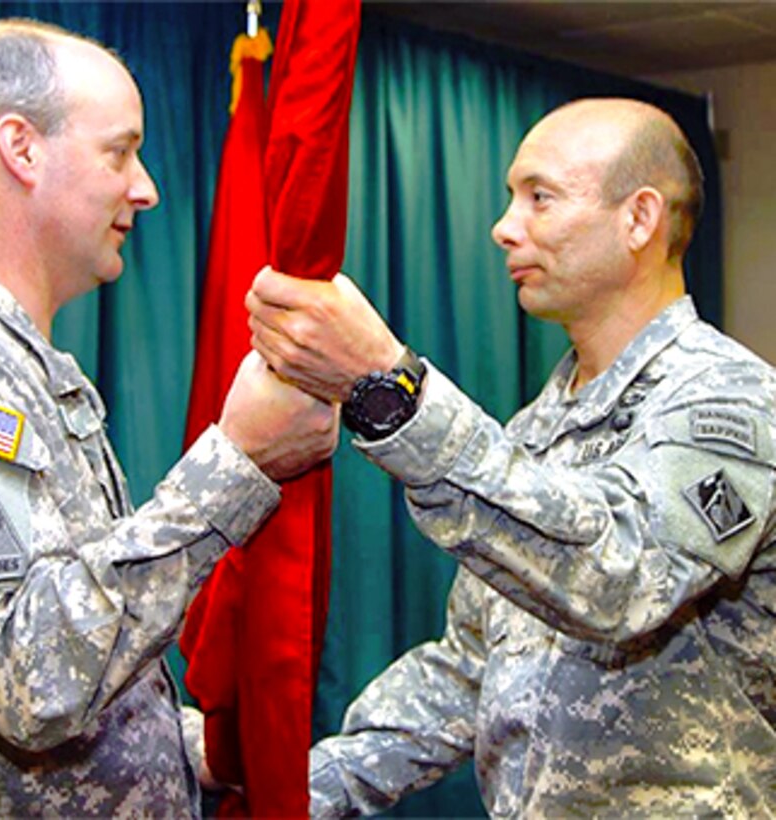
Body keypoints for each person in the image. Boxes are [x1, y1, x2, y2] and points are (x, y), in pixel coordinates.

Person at [0, 18, 338, 817]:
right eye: (120, 151)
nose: (146, 187)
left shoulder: (15, 362)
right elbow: (25, 676)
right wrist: (236, 463)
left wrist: (176, 745)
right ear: (21, 149)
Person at [246, 97, 776, 815]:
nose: (503, 228)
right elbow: (472, 668)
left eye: (540, 198)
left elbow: (621, 578)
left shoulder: (731, 401)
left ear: (638, 219)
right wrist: (293, 795)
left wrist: (393, 388)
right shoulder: (534, 428)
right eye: (508, 199)